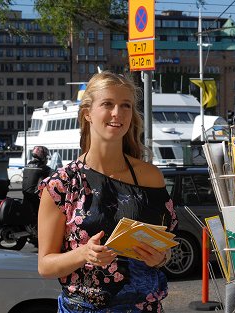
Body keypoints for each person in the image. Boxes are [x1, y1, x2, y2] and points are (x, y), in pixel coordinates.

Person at [38, 71, 178, 313]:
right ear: (87, 113)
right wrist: (84, 254)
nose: (118, 113)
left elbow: (166, 247)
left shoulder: (149, 176)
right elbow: (45, 266)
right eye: (108, 104)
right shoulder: (61, 184)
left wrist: (159, 258)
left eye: (125, 105)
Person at [22, 145, 52, 218]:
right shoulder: (44, 168)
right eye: (46, 157)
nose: (46, 159)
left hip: (26, 195)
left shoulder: (27, 165)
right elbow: (54, 177)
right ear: (42, 156)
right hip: (34, 197)